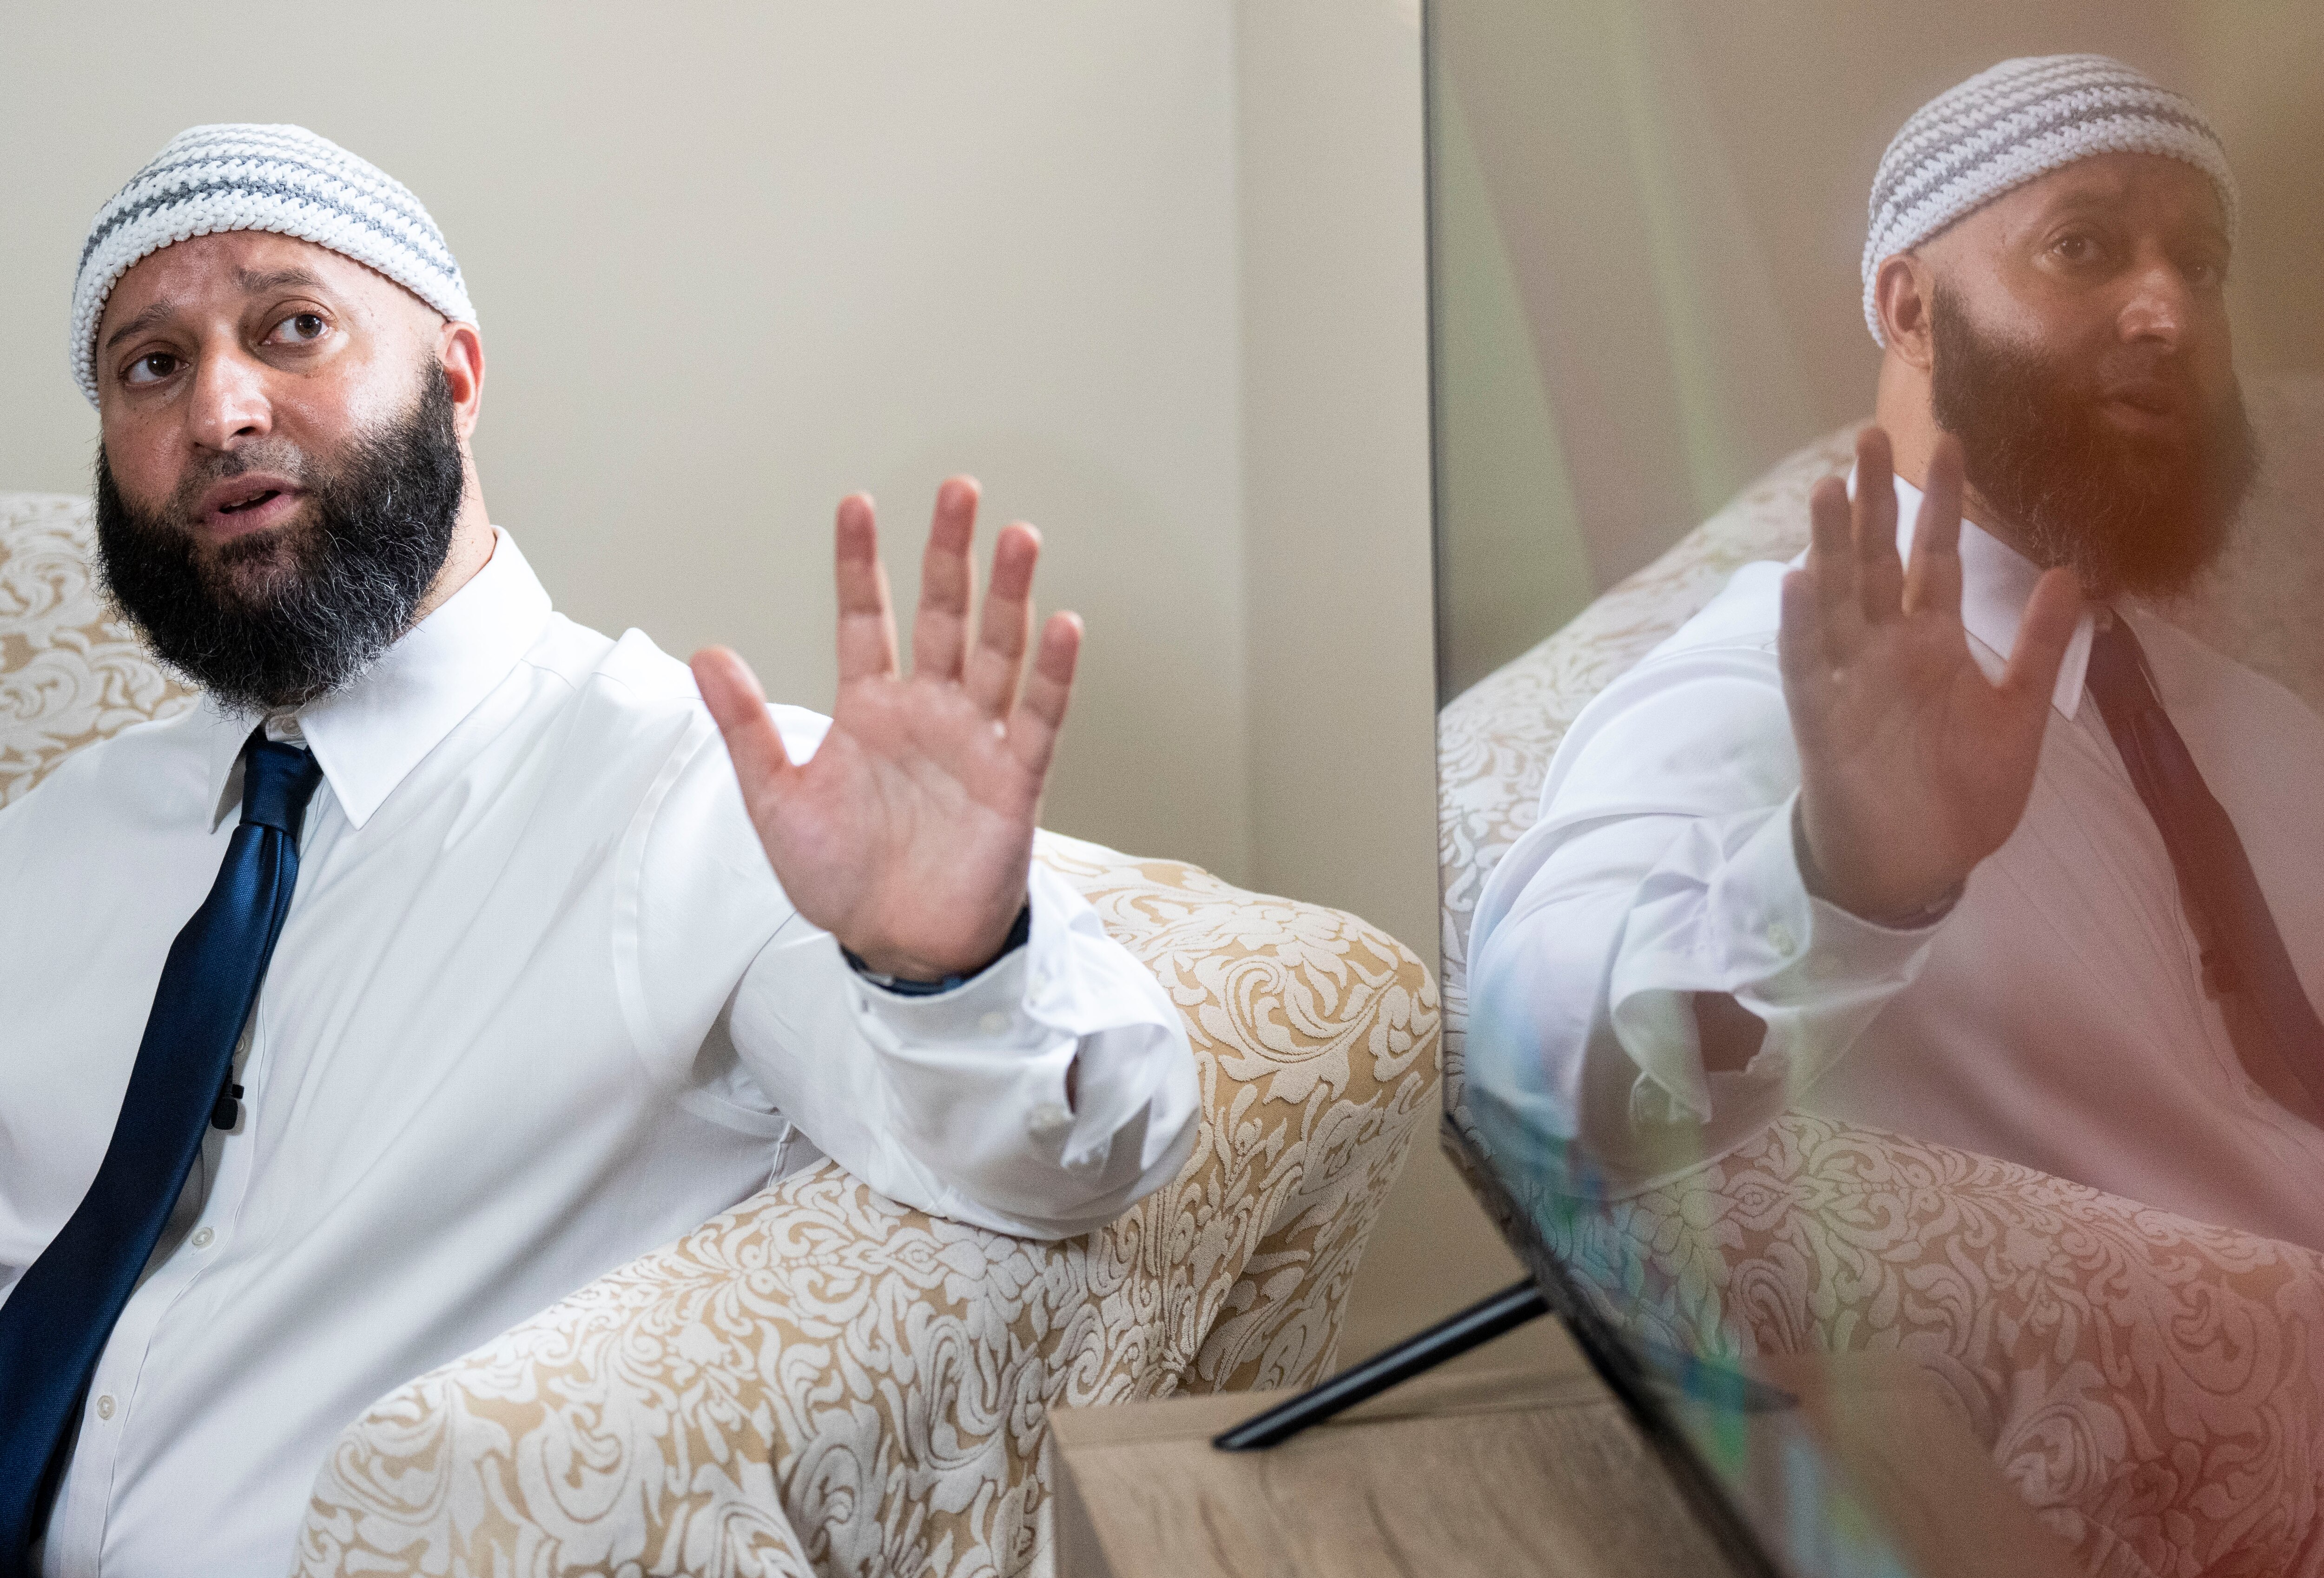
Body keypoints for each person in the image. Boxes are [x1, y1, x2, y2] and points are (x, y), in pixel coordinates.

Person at [0, 125, 1198, 1576]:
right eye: (152, 365)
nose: (222, 408)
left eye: (293, 326)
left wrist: (947, 962)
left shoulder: (692, 800)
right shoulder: (60, 834)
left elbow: (1072, 1159)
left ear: (457, 374)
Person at [1468, 56, 2324, 1246]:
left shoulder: (2273, 736)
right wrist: (1838, 884)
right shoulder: (1783, 686)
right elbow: (1526, 1076)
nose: (2169, 311)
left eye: (2201, 264)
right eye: (2083, 246)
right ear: (1912, 308)